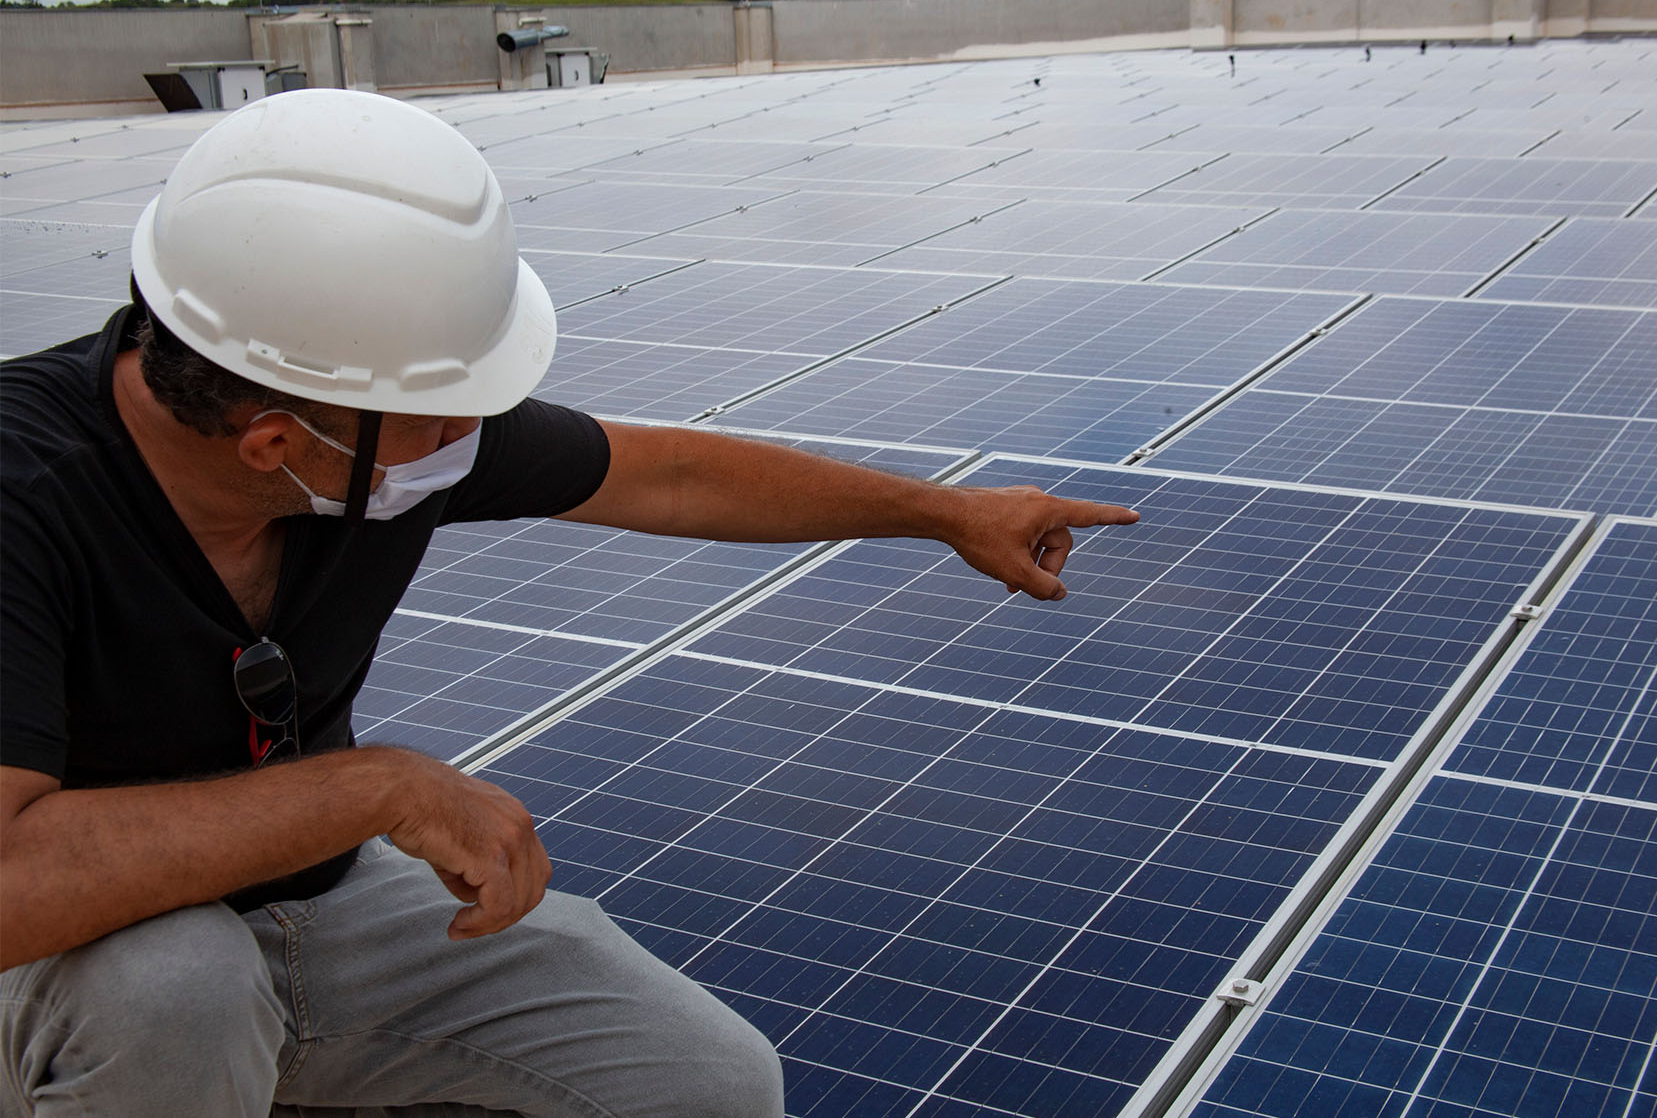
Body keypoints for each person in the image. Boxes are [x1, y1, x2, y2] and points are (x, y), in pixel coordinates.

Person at [0, 90, 1139, 1116]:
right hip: (65, 955)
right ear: (273, 443)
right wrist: (372, 786)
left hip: (312, 902)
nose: (470, 442)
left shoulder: (371, 423)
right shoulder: (25, 495)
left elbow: (669, 474)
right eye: (444, 420)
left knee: (710, 1084)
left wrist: (945, 513)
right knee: (181, 993)